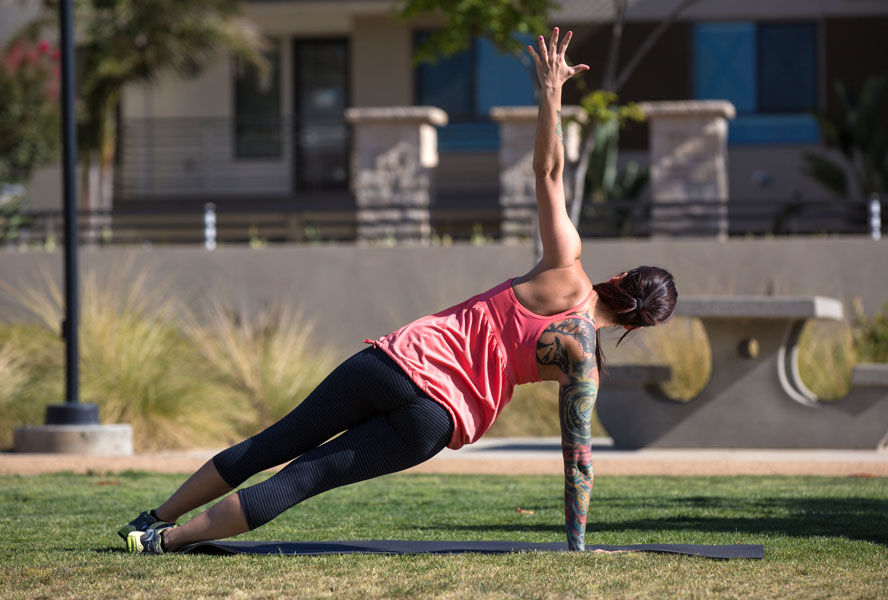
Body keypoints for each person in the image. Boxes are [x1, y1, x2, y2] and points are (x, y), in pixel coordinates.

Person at [121, 27, 677, 555]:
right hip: (437, 419)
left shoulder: (567, 265)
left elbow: (548, 173)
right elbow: (577, 459)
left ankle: (154, 520)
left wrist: (552, 93)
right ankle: (161, 545)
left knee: (275, 442)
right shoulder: (583, 365)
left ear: (622, 275)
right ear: (634, 326)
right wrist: (577, 544)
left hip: (399, 364)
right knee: (306, 477)